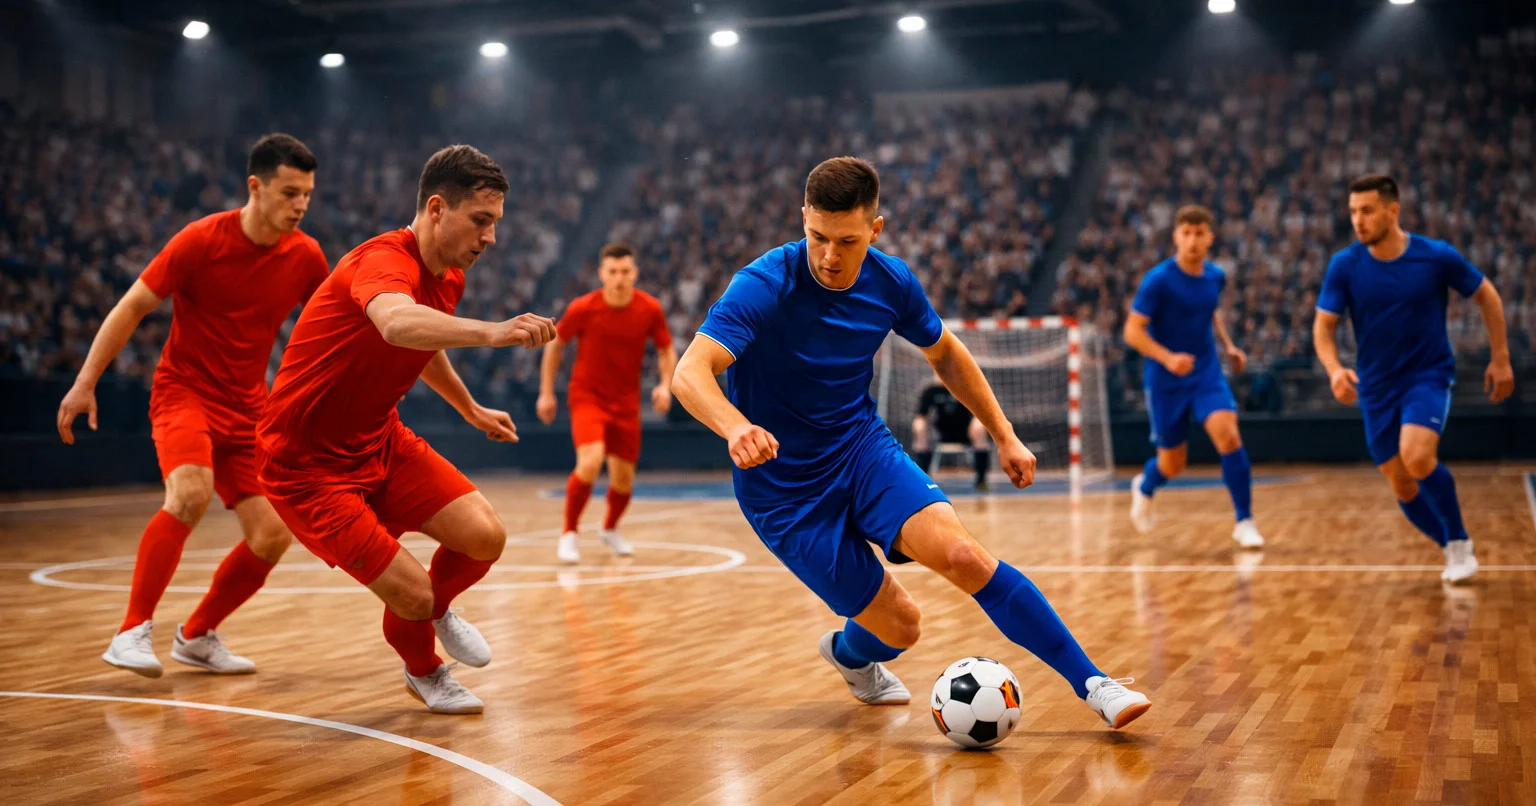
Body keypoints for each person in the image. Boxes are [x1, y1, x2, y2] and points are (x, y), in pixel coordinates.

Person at [672, 156, 1151, 729]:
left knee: (965, 556)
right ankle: (849, 656)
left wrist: (1004, 435)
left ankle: (1094, 684)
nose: (829, 256)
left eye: (847, 241)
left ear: (875, 229)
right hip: (783, 491)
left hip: (860, 452)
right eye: (817, 236)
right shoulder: (763, 283)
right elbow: (689, 372)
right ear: (803, 219)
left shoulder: (891, 281)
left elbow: (945, 353)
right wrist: (735, 426)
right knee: (902, 627)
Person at [256, 145, 558, 714]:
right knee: (413, 595)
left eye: (495, 222)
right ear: (437, 208)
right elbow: (397, 323)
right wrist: (494, 332)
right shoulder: (381, 261)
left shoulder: (448, 276)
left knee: (485, 537)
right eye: (481, 220)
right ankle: (425, 671)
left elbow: (424, 342)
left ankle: (436, 610)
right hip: (305, 467)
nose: (491, 238)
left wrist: (469, 408)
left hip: (378, 440)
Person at [57, 134, 329, 678]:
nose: (300, 205)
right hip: (185, 392)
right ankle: (131, 631)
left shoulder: (306, 256)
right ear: (255, 187)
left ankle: (198, 635)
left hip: (250, 408)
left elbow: (333, 326)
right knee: (190, 492)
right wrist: (85, 382)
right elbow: (132, 306)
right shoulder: (201, 240)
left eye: (307, 194)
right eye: (289, 193)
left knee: (273, 533)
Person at [1313, 174, 1514, 584]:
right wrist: (1334, 369)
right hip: (1375, 387)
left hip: (1428, 375)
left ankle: (1458, 541)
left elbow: (1487, 295)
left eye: (1367, 211)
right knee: (1402, 484)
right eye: (1353, 212)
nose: (1358, 220)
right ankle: (1451, 546)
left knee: (1417, 456)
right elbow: (1323, 326)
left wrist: (1501, 359)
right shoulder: (1344, 266)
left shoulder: (1435, 256)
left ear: (1393, 210)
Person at [1123, 205, 1264, 549]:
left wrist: (1229, 346)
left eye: (1199, 233)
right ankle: (1145, 485)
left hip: (1205, 373)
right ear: (1176, 236)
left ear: (1210, 237)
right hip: (1165, 380)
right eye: (1186, 233)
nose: (1193, 240)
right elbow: (1132, 332)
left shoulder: (1215, 276)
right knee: (1173, 463)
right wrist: (1168, 358)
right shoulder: (1158, 281)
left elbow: (1209, 312)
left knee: (1228, 435)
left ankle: (1244, 521)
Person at [536, 243, 676, 563]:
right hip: (587, 396)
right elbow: (556, 344)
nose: (619, 278)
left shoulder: (650, 309)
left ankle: (610, 528)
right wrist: (546, 392)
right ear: (601, 274)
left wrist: (665, 385)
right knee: (590, 460)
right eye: (613, 272)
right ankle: (569, 533)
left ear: (635, 273)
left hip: (626, 402)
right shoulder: (583, 308)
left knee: (623, 480)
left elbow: (666, 350)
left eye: (625, 271)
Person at [910, 374, 991, 491]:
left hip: (966, 433)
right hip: (940, 434)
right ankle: (923, 482)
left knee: (979, 427)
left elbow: (978, 413)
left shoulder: (966, 388)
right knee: (920, 426)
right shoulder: (932, 391)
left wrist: (977, 423)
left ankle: (981, 480)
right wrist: (919, 426)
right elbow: (921, 415)